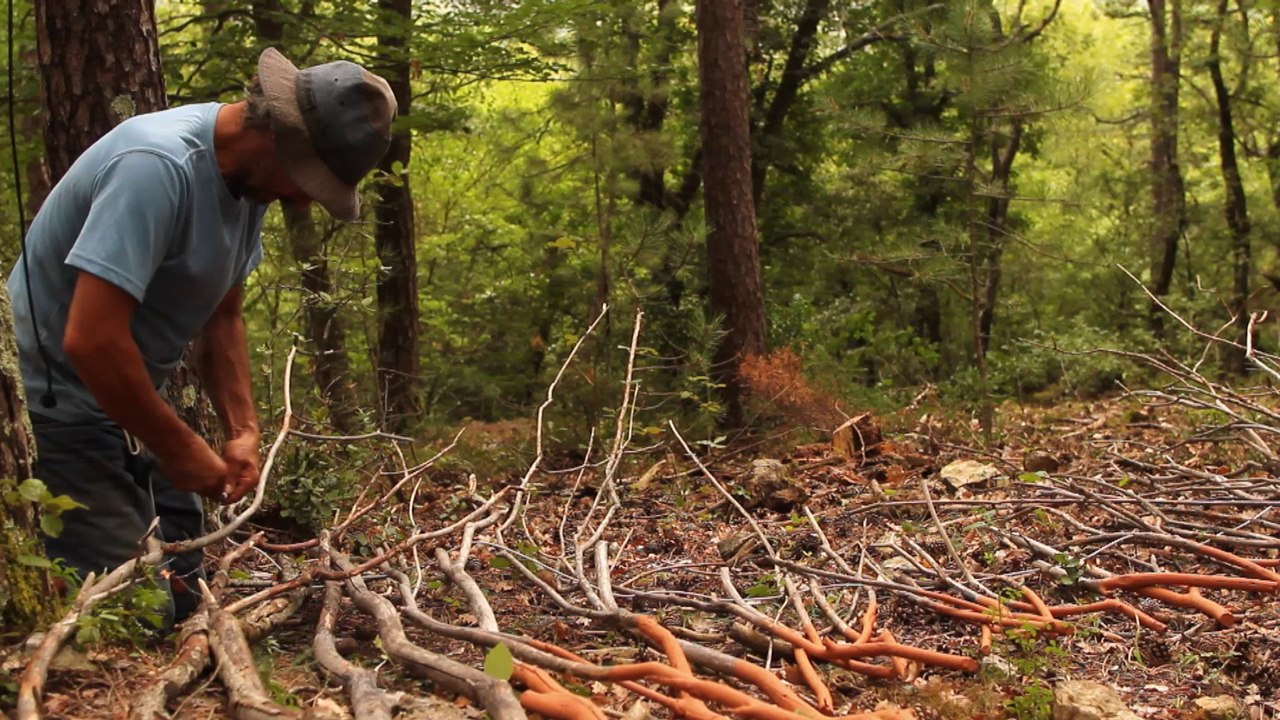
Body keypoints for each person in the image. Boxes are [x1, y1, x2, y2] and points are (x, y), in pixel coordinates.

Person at [5, 47, 396, 623]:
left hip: (123, 402)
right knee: (140, 614)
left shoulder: (247, 181)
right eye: (307, 180)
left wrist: (242, 429)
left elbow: (224, 314)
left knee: (188, 585)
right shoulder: (156, 166)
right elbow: (89, 338)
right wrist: (179, 447)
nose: (303, 198)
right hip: (55, 409)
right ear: (277, 136)